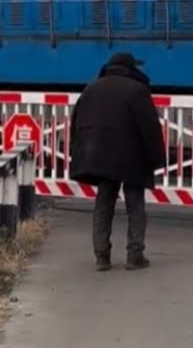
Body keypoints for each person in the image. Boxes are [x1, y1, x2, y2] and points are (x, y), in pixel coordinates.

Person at [71, 52, 167, 272]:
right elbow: (150, 128)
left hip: (100, 157)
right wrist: (156, 159)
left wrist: (79, 152)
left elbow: (75, 122)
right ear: (131, 69)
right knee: (135, 205)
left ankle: (102, 256)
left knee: (104, 204)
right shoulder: (137, 91)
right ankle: (135, 255)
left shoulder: (91, 88)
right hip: (132, 157)